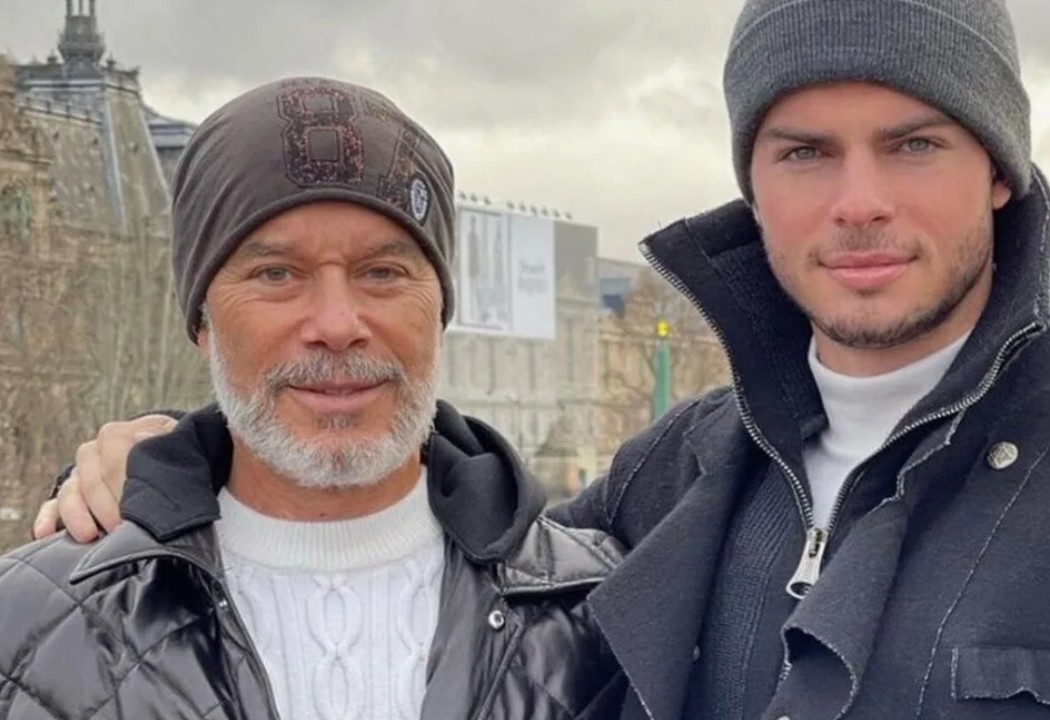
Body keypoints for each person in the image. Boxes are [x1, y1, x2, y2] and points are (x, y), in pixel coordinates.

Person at [36, 0, 1050, 719]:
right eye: (803, 151)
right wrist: (186, 461)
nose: (858, 202)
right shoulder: (672, 475)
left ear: (998, 169)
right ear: (750, 184)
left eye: (912, 144)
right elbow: (411, 506)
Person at [3, 76, 624, 720]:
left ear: (439, 311)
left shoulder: (613, 614)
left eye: (381, 273)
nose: (336, 323)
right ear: (202, 324)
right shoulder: (26, 628)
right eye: (277, 274)